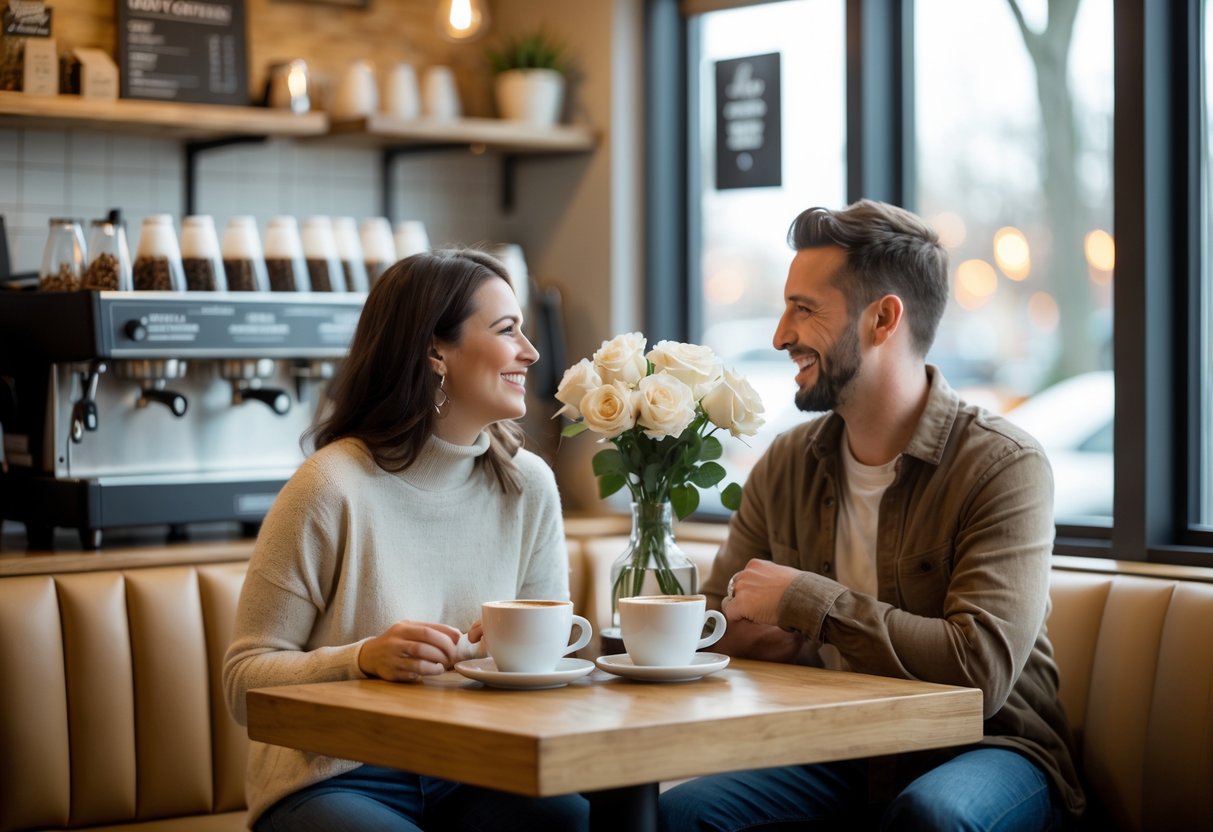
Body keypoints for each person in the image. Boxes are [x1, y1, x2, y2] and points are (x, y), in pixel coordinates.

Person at [659, 200, 1083, 831]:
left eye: (804, 308)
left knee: (931, 817)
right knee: (686, 813)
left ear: (883, 318)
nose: (779, 334)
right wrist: (744, 632)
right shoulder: (785, 462)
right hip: (838, 746)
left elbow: (980, 671)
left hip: (989, 747)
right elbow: (718, 624)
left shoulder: (1003, 464)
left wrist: (806, 601)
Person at [223, 249, 589, 832]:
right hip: (335, 776)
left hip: (477, 766)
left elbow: (553, 659)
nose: (531, 351)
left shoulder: (529, 485)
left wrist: (515, 652)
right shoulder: (331, 486)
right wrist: (362, 659)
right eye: (506, 330)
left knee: (571, 818)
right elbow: (243, 683)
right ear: (434, 350)